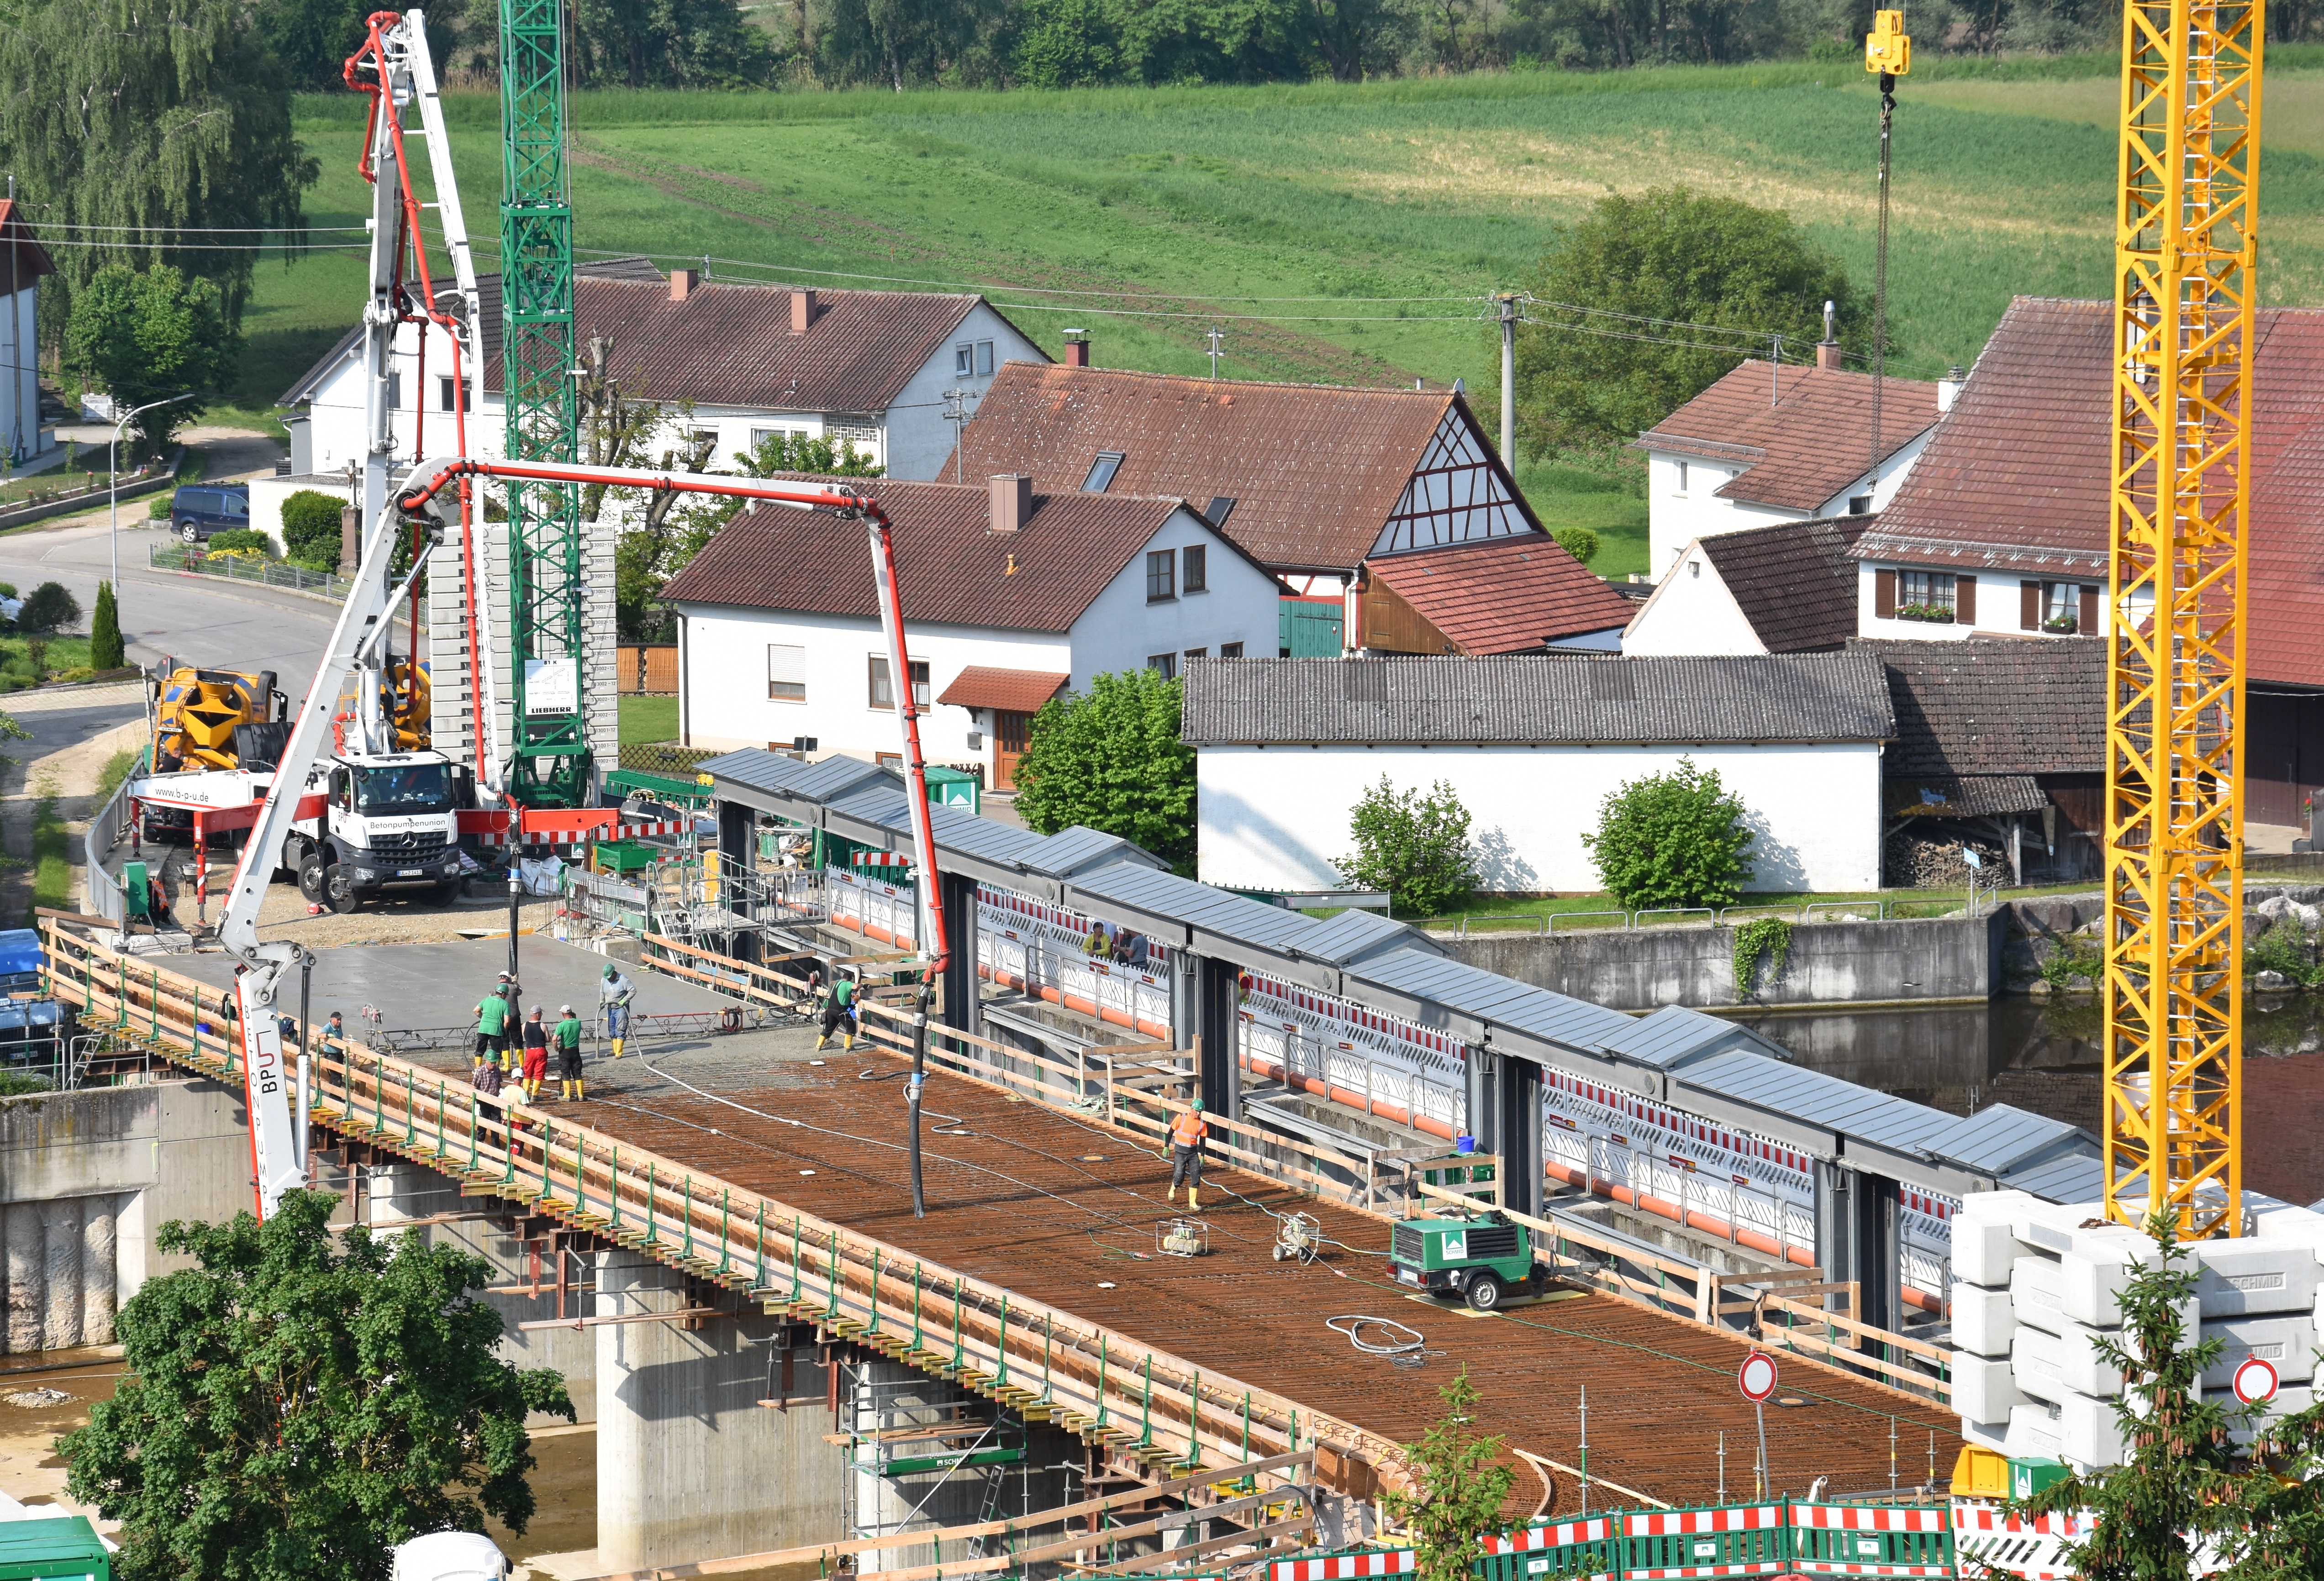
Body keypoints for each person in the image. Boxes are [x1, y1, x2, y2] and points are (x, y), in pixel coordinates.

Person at [1168, 1097, 1208, 1212]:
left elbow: (1203, 1141)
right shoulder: (1182, 1118)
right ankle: (1173, 1188)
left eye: (1200, 1112)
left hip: (1193, 1153)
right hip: (1181, 1152)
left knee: (1196, 1176)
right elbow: (1171, 1131)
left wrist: (1202, 1156)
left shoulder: (1202, 1124)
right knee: (1179, 1176)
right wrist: (1167, 1146)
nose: (1198, 1113)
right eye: (1197, 1111)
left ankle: (1193, 1204)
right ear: (1191, 1109)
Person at [474, 980, 511, 1072]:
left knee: (480, 1050)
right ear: (503, 994)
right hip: (496, 1030)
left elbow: (476, 1010)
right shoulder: (505, 1004)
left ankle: (477, 1069)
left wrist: (483, 1018)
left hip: (483, 1029)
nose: (506, 997)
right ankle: (495, 1070)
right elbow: (507, 1021)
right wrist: (504, 1029)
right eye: (506, 995)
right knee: (497, 1051)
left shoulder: (486, 1000)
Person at [600, 963, 635, 1058]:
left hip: (621, 1009)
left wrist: (625, 1000)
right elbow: (602, 992)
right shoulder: (604, 980)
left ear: (614, 973)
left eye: (610, 977)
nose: (609, 979)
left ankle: (619, 1052)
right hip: (611, 1008)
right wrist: (602, 1001)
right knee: (612, 1029)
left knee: (620, 1028)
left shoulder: (623, 979)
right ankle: (614, 1050)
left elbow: (633, 990)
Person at [816, 971, 856, 1052]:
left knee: (828, 1029)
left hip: (830, 1010)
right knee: (850, 1027)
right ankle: (847, 1048)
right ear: (849, 980)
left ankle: (818, 1046)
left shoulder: (837, 984)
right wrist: (863, 985)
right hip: (840, 1011)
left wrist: (849, 1005)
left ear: (842, 978)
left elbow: (843, 997)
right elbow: (856, 987)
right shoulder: (847, 984)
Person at [555, 1004, 585, 1101]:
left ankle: (567, 1096)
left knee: (566, 1072)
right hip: (576, 1050)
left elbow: (554, 1039)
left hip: (565, 1050)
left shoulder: (562, 1025)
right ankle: (581, 1095)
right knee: (577, 1072)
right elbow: (575, 1020)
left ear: (563, 1014)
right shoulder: (578, 1022)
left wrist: (557, 1049)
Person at [520, 1008, 550, 1102]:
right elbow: (548, 1039)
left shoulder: (524, 1025)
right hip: (540, 1050)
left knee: (528, 1072)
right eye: (541, 1014)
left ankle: (525, 1093)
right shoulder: (543, 1026)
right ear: (538, 1014)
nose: (541, 1015)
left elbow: (524, 1036)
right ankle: (535, 1095)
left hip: (530, 1050)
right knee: (539, 1072)